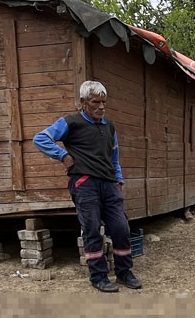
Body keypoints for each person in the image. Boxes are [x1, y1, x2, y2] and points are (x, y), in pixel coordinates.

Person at [33, 80, 141, 293]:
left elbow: (114, 156)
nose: (101, 106)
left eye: (104, 102)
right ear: (83, 102)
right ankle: (98, 276)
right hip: (85, 184)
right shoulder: (70, 123)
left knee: (121, 228)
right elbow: (40, 138)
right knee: (91, 230)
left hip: (109, 184)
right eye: (95, 102)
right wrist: (62, 155)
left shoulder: (109, 126)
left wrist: (119, 180)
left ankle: (124, 272)